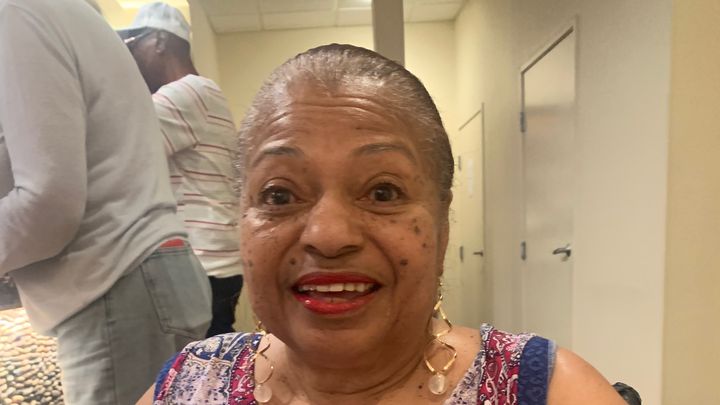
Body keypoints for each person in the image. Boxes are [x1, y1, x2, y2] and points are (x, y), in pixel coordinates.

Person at [138, 44, 626, 405]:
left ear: (442, 226)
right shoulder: (188, 383)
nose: (328, 236)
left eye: (383, 192)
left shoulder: (546, 390)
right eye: (279, 195)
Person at [0, 0, 212, 403]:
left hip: (116, 284)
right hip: (140, 278)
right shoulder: (65, 14)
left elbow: (49, 203)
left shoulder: (18, 13)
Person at [119, 2, 244, 337]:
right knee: (210, 356)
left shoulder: (187, 92)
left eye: (132, 45)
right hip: (214, 263)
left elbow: (117, 146)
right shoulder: (202, 92)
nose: (129, 57)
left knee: (197, 362)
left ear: (159, 40)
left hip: (200, 264)